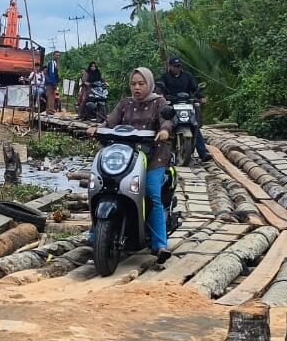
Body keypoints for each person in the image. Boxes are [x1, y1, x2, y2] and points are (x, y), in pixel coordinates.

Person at [88, 67, 174, 261]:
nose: (137, 88)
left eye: (141, 84)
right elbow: (109, 122)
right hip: (125, 156)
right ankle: (95, 231)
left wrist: (165, 131)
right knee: (103, 186)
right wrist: (97, 128)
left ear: (149, 84)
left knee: (152, 193)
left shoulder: (159, 102)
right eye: (133, 84)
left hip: (154, 156)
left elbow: (167, 121)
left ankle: (160, 244)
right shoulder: (125, 104)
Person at [156, 56, 205, 164]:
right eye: (175, 66)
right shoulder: (165, 77)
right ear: (170, 66)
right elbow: (160, 87)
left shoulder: (187, 76)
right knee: (166, 125)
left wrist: (200, 96)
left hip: (187, 104)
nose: (177, 68)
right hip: (172, 105)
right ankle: (164, 154)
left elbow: (195, 87)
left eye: (179, 66)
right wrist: (161, 95)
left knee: (195, 125)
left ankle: (203, 153)